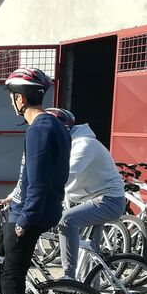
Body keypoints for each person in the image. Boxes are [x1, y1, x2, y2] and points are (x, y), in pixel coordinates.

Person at [0, 68, 71, 294]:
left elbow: (39, 181)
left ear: (20, 99)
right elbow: (33, 177)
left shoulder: (39, 129)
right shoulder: (55, 125)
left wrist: (25, 219)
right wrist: (13, 199)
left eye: (12, 97)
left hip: (28, 215)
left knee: (12, 277)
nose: (11, 102)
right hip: (33, 208)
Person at [46, 108, 126, 279]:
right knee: (89, 254)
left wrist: (40, 197)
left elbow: (65, 176)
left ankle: (69, 278)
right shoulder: (67, 144)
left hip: (109, 200)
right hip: (90, 199)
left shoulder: (85, 144)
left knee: (66, 219)